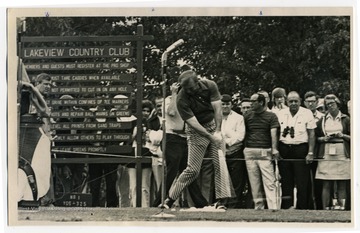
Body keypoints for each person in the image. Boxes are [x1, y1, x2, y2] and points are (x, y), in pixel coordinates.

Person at [161, 70, 235, 209]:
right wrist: (210, 137)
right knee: (192, 169)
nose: (188, 91)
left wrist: (218, 131)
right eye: (185, 88)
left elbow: (217, 108)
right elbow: (192, 122)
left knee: (219, 163)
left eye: (190, 88)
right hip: (195, 130)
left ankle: (221, 202)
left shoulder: (210, 85)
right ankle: (169, 200)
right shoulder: (182, 98)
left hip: (212, 125)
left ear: (197, 82)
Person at [153, 82, 209, 208]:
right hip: (172, 138)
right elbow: (171, 112)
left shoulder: (190, 100)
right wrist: (174, 94)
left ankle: (201, 203)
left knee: (189, 172)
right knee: (172, 171)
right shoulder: (168, 100)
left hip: (186, 138)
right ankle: (158, 201)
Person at [277, 91, 316, 209]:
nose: (293, 103)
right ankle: (286, 208)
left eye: (296, 101)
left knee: (302, 182)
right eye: (291, 101)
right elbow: (277, 132)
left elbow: (311, 134)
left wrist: (310, 152)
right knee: (285, 181)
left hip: (300, 149)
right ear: (286, 101)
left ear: (300, 101)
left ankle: (302, 208)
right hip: (284, 148)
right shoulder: (281, 113)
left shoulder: (307, 113)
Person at [243, 93, 280, 210]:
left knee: (269, 182)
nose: (251, 103)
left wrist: (274, 149)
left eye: (254, 101)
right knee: (254, 184)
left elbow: (273, 133)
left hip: (265, 151)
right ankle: (259, 209)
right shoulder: (247, 116)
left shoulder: (271, 116)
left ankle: (273, 208)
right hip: (250, 151)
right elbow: (245, 133)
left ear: (261, 102)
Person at [314, 94, 350, 210]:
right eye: (327, 104)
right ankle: (326, 209)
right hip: (326, 151)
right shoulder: (322, 119)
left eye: (332, 103)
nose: (330, 106)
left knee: (341, 182)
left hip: (342, 151)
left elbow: (354, 136)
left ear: (337, 104)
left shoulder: (346, 119)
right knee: (326, 182)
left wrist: (342, 135)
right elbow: (315, 137)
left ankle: (340, 208)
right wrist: (322, 139)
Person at [221, 94, 248, 208]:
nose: (225, 106)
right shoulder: (215, 117)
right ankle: (222, 203)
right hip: (220, 152)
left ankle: (234, 205)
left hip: (235, 151)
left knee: (236, 180)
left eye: (227, 104)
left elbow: (240, 135)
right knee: (222, 179)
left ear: (231, 105)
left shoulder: (239, 118)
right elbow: (215, 133)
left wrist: (227, 142)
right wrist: (222, 142)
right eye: (223, 104)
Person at [304, 91, 325, 209]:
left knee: (318, 181)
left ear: (317, 102)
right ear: (305, 103)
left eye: (313, 101)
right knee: (305, 181)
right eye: (308, 102)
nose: (311, 104)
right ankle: (307, 206)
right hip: (303, 151)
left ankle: (320, 206)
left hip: (318, 152)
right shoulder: (301, 115)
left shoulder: (322, 117)